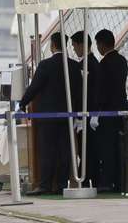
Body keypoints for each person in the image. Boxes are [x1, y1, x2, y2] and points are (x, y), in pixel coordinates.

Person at [20, 32, 81, 195]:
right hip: (68, 115)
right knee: (64, 150)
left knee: (46, 150)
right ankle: (61, 184)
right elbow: (78, 91)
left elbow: (35, 87)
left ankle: (45, 184)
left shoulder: (45, 65)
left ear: (53, 45)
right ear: (66, 45)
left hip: (46, 115)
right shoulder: (74, 66)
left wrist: (22, 103)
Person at [95, 29, 128, 193]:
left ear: (101, 44)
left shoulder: (104, 64)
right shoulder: (122, 61)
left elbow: (101, 91)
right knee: (119, 147)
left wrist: (97, 110)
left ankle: (107, 181)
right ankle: (120, 181)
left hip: (107, 112)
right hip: (122, 110)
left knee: (107, 148)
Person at [70, 31, 100, 187]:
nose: (74, 50)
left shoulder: (86, 65)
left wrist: (81, 116)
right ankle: (88, 179)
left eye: (74, 46)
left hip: (87, 114)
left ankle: (85, 179)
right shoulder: (93, 63)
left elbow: (85, 93)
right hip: (88, 114)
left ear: (81, 44)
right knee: (87, 150)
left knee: (86, 150)